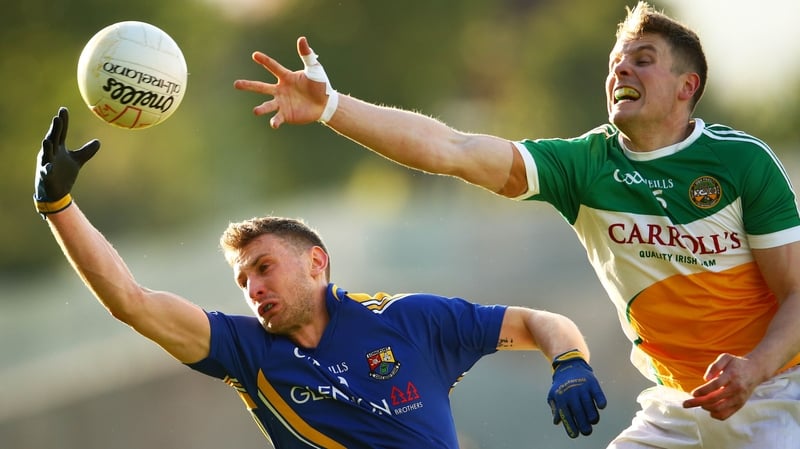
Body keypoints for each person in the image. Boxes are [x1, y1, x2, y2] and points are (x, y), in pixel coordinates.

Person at [232, 1, 800, 448]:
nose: (622, 68)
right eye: (615, 63)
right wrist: (332, 106)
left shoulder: (741, 162)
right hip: (677, 404)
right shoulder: (584, 165)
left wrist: (752, 371)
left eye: (643, 58)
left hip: (774, 392)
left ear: (687, 86)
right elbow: (451, 148)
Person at [33, 107, 606, 448]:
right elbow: (132, 302)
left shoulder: (410, 320)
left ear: (316, 262)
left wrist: (570, 362)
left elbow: (538, 321)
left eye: (263, 267)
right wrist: (59, 205)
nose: (252, 288)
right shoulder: (246, 350)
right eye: (242, 281)